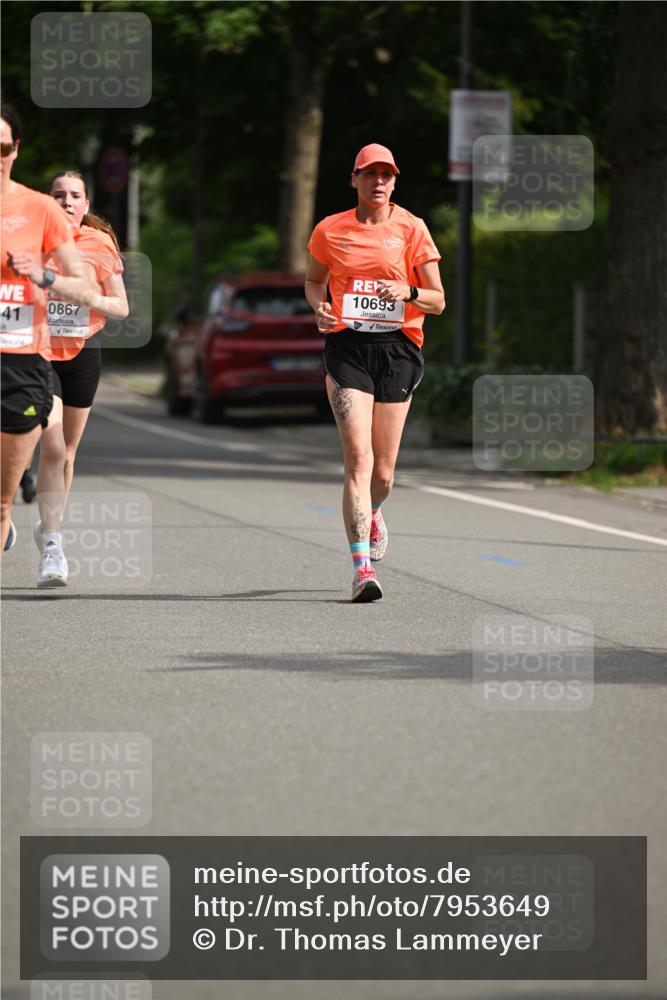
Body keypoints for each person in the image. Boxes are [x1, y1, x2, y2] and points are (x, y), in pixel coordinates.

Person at [305, 143, 444, 602]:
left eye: (386, 175)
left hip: (398, 349)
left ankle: (375, 509)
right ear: (355, 180)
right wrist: (320, 309)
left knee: (382, 474)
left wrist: (407, 291)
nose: (378, 182)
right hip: (348, 348)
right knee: (358, 460)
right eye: (370, 174)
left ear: (395, 182)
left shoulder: (412, 228)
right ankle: (362, 568)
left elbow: (437, 300)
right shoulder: (330, 229)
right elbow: (313, 281)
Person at [0, 104, 88, 563]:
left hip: (21, 356)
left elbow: (82, 284)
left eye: (2, 147)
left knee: (3, 497)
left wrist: (42, 274)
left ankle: (27, 531)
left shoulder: (39, 209)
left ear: (16, 149)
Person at [32, 171, 128, 585]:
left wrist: (88, 297)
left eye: (75, 196)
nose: (67, 201)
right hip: (38, 353)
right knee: (52, 445)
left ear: (86, 205)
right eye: (59, 195)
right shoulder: (30, 243)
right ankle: (53, 546)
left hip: (84, 352)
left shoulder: (99, 244)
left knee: (68, 453)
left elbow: (121, 308)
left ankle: (48, 525)